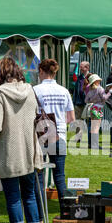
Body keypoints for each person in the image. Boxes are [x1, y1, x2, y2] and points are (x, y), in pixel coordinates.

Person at [0, 57, 43, 223]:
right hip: (29, 150)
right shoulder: (31, 90)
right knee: (30, 196)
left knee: (14, 198)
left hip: (9, 152)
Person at [33, 59, 75, 213]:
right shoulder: (64, 91)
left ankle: (40, 217)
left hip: (40, 136)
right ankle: (66, 214)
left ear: (42, 71)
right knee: (60, 177)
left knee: (38, 178)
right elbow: (71, 119)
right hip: (59, 137)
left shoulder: (35, 90)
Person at [84, 74, 112, 150]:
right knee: (96, 128)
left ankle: (91, 143)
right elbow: (104, 98)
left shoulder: (90, 89)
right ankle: (95, 145)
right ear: (96, 81)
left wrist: (92, 100)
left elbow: (86, 100)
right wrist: (110, 92)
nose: (99, 81)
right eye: (98, 80)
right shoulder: (99, 89)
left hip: (92, 108)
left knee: (92, 127)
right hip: (98, 108)